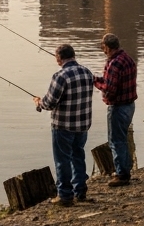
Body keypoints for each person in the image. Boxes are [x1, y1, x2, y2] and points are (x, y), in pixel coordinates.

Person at [32, 44, 95, 206]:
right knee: (78, 157)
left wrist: (39, 103)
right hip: (82, 125)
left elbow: (50, 103)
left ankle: (65, 195)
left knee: (62, 160)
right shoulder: (87, 73)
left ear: (59, 58)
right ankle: (80, 192)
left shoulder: (60, 76)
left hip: (63, 126)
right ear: (73, 55)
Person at [93, 33, 137, 187]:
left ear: (107, 47)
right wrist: (97, 79)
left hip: (118, 107)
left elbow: (109, 90)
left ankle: (122, 174)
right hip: (130, 105)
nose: (102, 49)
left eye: (102, 46)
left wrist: (96, 84)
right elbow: (112, 81)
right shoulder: (127, 59)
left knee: (116, 141)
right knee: (122, 138)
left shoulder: (114, 64)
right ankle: (125, 169)